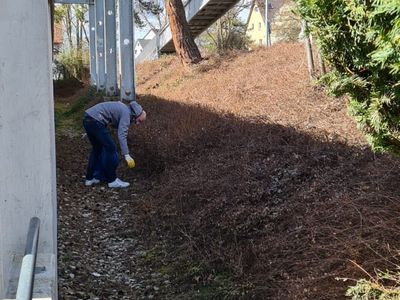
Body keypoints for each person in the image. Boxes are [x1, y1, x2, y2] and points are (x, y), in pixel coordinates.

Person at [82, 100, 146, 188]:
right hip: (96, 121)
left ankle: (89, 178)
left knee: (97, 150)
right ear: (137, 114)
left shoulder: (124, 108)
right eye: (139, 121)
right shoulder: (126, 114)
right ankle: (112, 180)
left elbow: (114, 122)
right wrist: (126, 154)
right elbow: (122, 135)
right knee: (111, 149)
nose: (137, 123)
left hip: (88, 117)